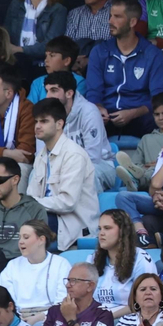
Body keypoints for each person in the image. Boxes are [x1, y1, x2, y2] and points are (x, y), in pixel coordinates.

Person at [85, 0, 163, 139]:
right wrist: (98, 108)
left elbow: (158, 97)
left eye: (117, 17)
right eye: (110, 16)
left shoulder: (152, 54)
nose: (110, 21)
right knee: (86, 117)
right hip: (108, 116)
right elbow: (93, 91)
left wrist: (133, 113)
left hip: (139, 116)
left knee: (157, 120)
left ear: (132, 22)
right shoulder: (100, 51)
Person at [27, 98, 101, 246]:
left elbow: (68, 202)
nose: (37, 126)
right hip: (47, 216)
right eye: (36, 121)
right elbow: (32, 195)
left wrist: (30, 204)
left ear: (59, 124)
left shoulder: (74, 155)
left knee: (25, 227)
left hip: (73, 223)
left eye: (44, 121)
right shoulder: (41, 155)